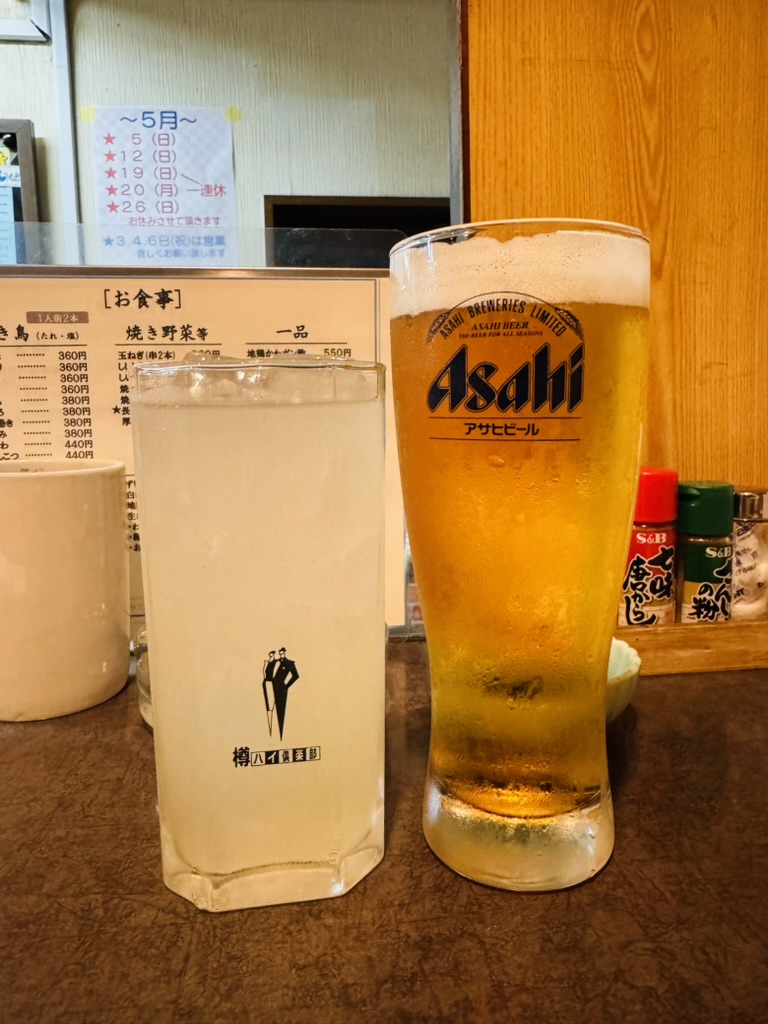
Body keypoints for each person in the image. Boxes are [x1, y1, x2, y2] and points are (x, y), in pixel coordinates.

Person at [271, 647, 299, 740]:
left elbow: (296, 676)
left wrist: (286, 686)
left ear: (284, 652)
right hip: (271, 687)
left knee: (281, 710)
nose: (281, 652)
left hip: (281, 688)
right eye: (280, 651)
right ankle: (274, 735)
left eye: (282, 651)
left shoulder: (289, 663)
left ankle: (281, 737)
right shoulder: (275, 662)